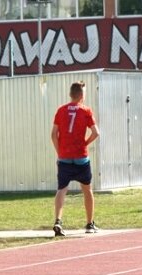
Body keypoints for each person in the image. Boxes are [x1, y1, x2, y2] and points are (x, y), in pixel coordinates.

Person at [51, 81, 100, 236]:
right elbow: (96, 133)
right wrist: (85, 143)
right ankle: (89, 223)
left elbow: (53, 134)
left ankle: (58, 221)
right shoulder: (86, 111)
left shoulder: (61, 110)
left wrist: (60, 151)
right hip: (81, 157)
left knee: (62, 189)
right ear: (82, 95)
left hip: (64, 157)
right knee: (87, 189)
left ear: (71, 94)